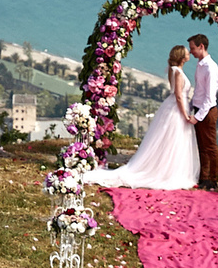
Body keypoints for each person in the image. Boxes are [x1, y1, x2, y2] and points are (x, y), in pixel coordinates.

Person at [83, 45, 200, 190]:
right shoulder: (178, 73)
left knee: (173, 140)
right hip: (177, 109)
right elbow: (178, 95)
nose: (189, 54)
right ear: (182, 57)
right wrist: (185, 114)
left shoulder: (175, 70)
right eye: (187, 53)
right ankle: (168, 171)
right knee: (173, 139)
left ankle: (170, 169)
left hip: (175, 107)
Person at [188, 33, 218, 187]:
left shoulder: (211, 68)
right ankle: (204, 177)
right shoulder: (200, 64)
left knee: (210, 146)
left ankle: (213, 179)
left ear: (201, 46)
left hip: (207, 112)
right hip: (198, 108)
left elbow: (209, 97)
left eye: (193, 48)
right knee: (201, 146)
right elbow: (199, 91)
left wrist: (198, 116)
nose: (191, 52)